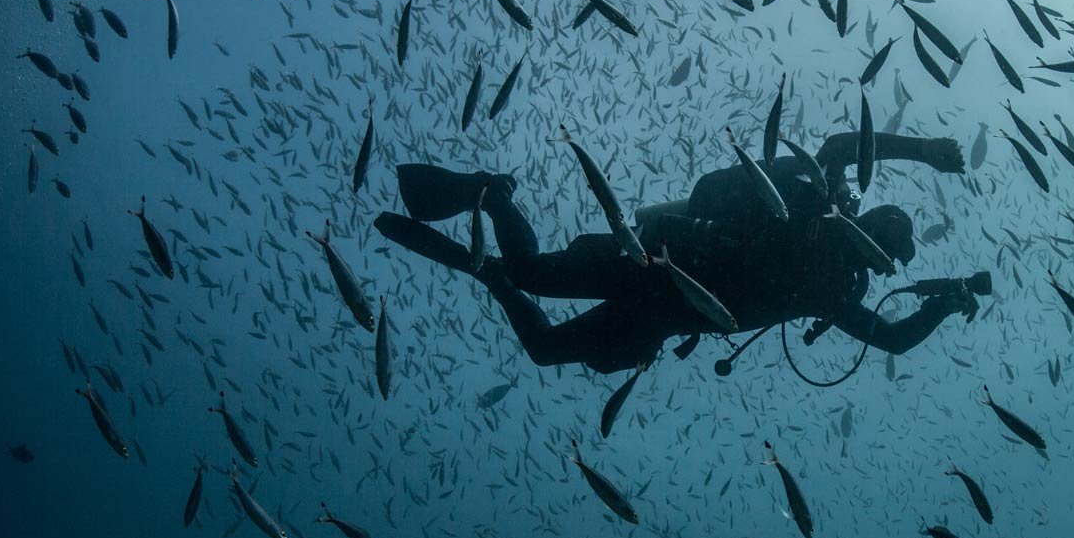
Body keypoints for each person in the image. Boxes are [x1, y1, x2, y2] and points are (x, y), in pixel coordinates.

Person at [373, 130, 980, 375]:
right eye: (882, 243)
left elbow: (892, 339)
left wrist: (943, 306)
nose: (877, 260)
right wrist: (923, 150)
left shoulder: (836, 292)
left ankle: (494, 277)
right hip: (651, 258)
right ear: (864, 222)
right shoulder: (815, 205)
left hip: (667, 316)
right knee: (535, 272)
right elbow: (845, 146)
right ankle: (492, 195)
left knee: (545, 348)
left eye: (886, 258)